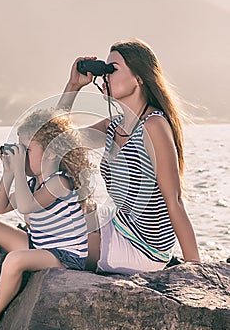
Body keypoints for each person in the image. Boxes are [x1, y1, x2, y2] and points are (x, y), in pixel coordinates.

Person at [57, 39, 201, 274]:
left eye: (112, 70)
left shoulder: (154, 125)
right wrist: (73, 85)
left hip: (143, 248)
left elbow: (174, 200)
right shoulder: (114, 125)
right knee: (49, 216)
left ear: (139, 78)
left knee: (53, 239)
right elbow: (57, 142)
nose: (105, 77)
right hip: (117, 228)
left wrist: (195, 271)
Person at [0, 109, 93, 330]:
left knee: (14, 260)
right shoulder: (31, 181)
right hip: (41, 245)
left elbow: (28, 206)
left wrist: (18, 169)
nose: (20, 153)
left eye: (25, 150)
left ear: (50, 154)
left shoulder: (60, 181)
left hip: (66, 256)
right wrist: (9, 171)